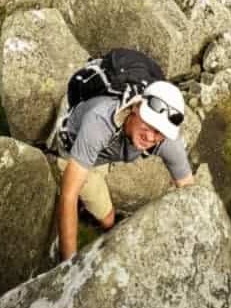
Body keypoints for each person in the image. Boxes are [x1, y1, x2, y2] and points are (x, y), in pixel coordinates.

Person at [55, 80, 194, 260]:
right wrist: (67, 267)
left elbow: (189, 191)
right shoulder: (100, 122)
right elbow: (68, 195)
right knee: (108, 219)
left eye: (159, 132)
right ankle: (95, 219)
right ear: (135, 107)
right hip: (73, 149)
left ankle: (87, 208)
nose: (150, 137)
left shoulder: (167, 140)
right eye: (148, 124)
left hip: (101, 151)